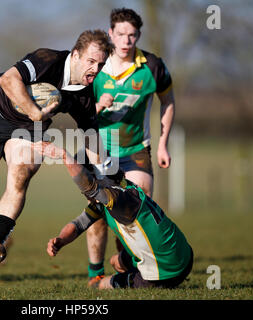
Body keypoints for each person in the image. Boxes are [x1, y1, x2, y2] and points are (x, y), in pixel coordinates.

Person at [0, 30, 113, 271]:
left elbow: (91, 135)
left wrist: (103, 177)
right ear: (76, 54)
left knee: (21, 173)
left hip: (29, 130)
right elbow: (8, 80)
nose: (96, 69)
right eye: (91, 61)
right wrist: (34, 111)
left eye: (101, 64)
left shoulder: (85, 94)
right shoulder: (47, 59)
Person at [86, 8, 176, 285]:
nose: (126, 41)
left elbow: (168, 101)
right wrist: (99, 105)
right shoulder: (96, 64)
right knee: (100, 209)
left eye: (132, 35)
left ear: (139, 35)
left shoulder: (152, 67)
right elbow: (78, 109)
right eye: (121, 34)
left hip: (137, 148)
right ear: (110, 33)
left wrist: (162, 144)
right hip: (100, 148)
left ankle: (127, 266)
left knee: (137, 204)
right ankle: (95, 273)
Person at [34, 141, 193, 289]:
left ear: (97, 177)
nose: (82, 191)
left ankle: (134, 279)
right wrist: (60, 241)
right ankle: (135, 270)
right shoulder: (121, 191)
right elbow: (79, 224)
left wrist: (63, 155)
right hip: (184, 255)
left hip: (167, 273)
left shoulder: (118, 199)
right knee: (115, 262)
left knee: (102, 285)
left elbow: (89, 187)